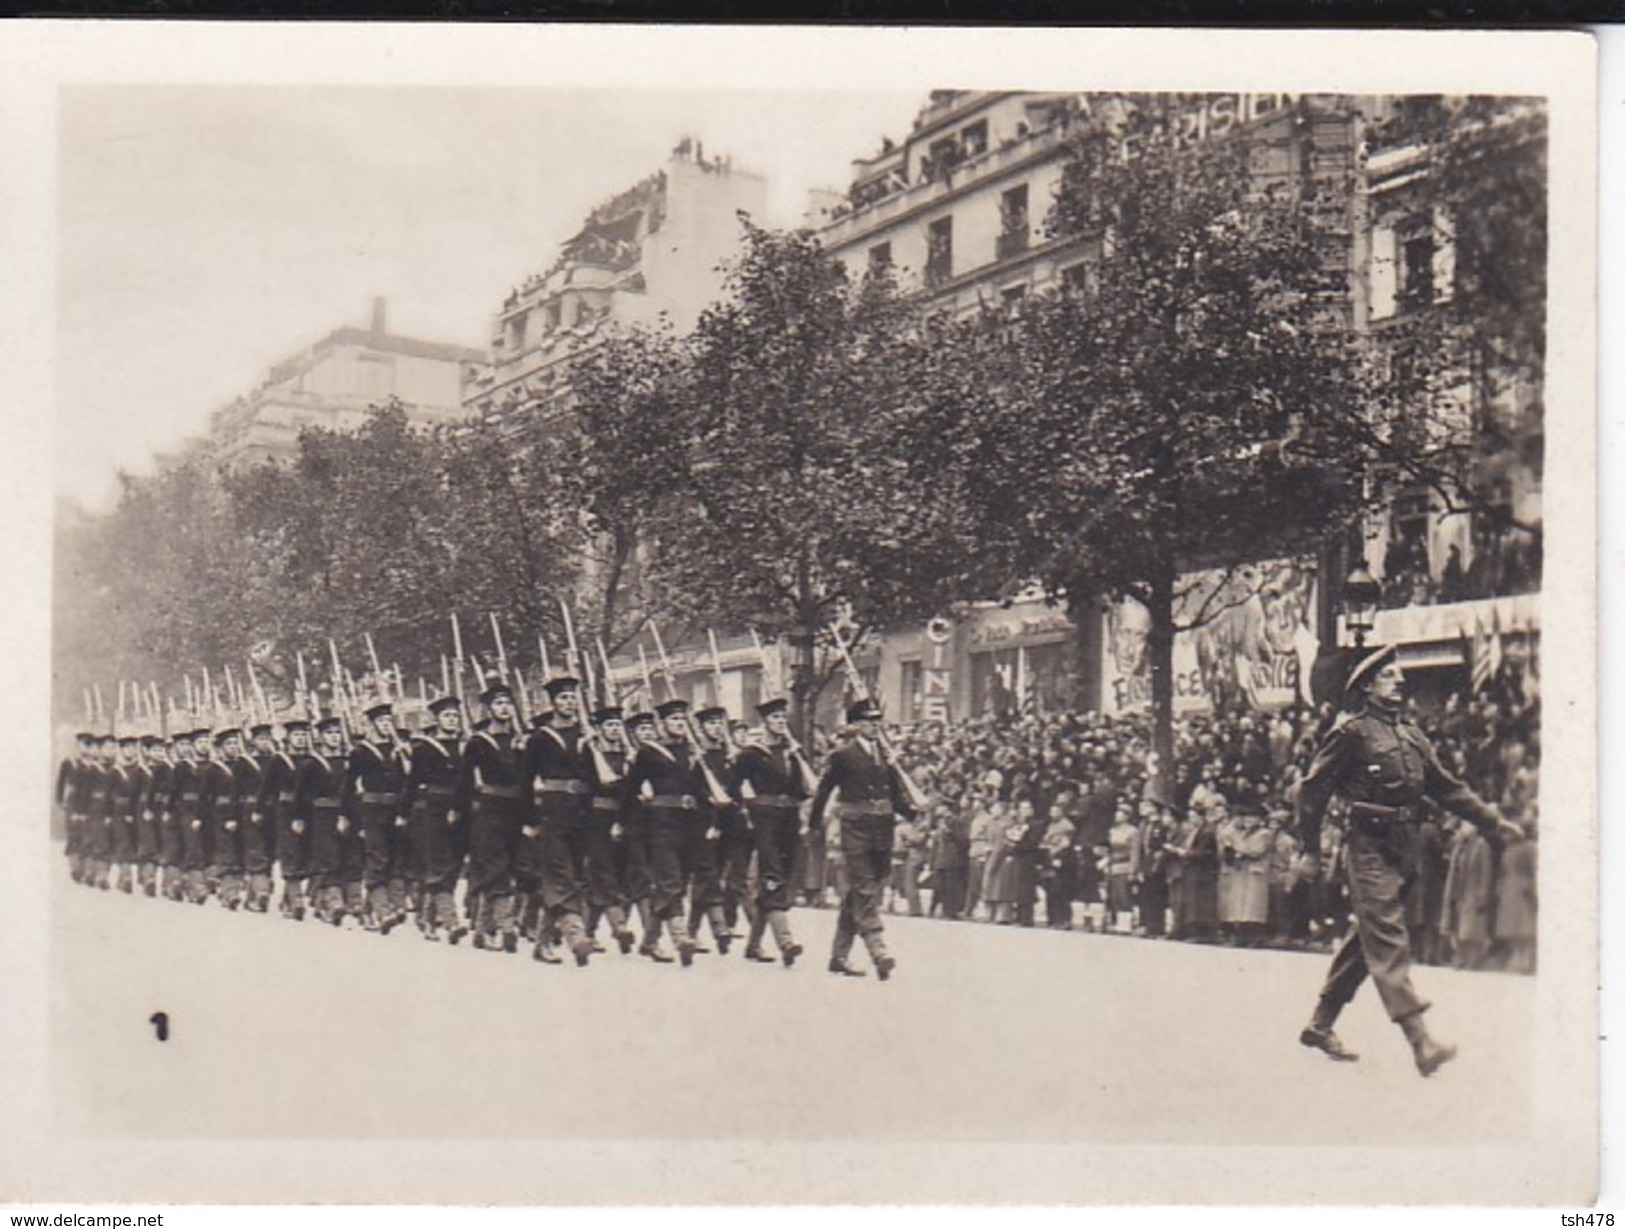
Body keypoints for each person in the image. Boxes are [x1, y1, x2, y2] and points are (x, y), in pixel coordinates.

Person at [1296, 645, 1523, 1076]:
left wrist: (1494, 822)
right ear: (1367, 687)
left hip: (1404, 848)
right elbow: (1311, 792)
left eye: (1399, 675)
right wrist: (1308, 848)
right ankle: (1421, 1042)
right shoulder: (1351, 734)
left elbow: (1448, 788)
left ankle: (1320, 1025)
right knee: (1387, 938)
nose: (1399, 680)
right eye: (1389, 675)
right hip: (1367, 846)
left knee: (1368, 938)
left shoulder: (1411, 735)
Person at [808, 698, 919, 980]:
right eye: (869, 721)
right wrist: (814, 825)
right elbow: (823, 791)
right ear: (856, 725)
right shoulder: (842, 755)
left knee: (860, 892)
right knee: (866, 889)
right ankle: (878, 951)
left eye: (877, 720)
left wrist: (912, 813)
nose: (875, 725)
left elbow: (893, 792)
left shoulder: (884, 754)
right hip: (855, 828)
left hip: (882, 829)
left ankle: (839, 956)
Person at [518, 675, 596, 966]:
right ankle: (576, 937)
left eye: (573, 697)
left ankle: (541, 944)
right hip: (552, 813)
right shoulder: (541, 738)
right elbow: (524, 781)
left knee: (569, 878)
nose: (570, 702)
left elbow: (594, 779)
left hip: (581, 814)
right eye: (563, 698)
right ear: (552, 704)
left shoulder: (586, 735)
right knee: (560, 876)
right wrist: (529, 818)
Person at [732, 696, 811, 965]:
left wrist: (799, 757)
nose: (780, 722)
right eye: (775, 718)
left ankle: (753, 945)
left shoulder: (790, 753)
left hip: (788, 821)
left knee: (780, 880)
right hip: (764, 821)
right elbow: (733, 789)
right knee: (772, 875)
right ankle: (785, 941)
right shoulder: (751, 753)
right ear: (764, 722)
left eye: (782, 718)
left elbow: (805, 790)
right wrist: (749, 808)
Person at [456, 683, 526, 952]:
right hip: (489, 809)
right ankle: (506, 926)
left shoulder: (520, 741)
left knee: (506, 870)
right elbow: (464, 780)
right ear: (488, 709)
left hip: (516, 810)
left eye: (508, 703)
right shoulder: (478, 742)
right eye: (498, 703)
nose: (505, 708)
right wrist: (461, 813)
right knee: (495, 867)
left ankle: (482, 930)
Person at [405, 694, 468, 943]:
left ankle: (428, 918)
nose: (452, 720)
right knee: (439, 865)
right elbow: (412, 783)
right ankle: (451, 922)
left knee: (452, 867)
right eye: (447, 716)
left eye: (455, 716)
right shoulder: (425, 749)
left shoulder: (466, 747)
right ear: (438, 719)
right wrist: (403, 812)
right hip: (433, 810)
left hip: (462, 809)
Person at [349, 702, 412, 933]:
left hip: (394, 809)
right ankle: (383, 910)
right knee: (378, 859)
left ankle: (370, 909)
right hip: (371, 810)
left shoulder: (398, 750)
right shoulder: (360, 751)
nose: (387, 726)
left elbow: (407, 782)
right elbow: (349, 786)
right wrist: (351, 817)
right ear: (372, 725)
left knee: (395, 858)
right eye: (382, 722)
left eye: (389, 721)